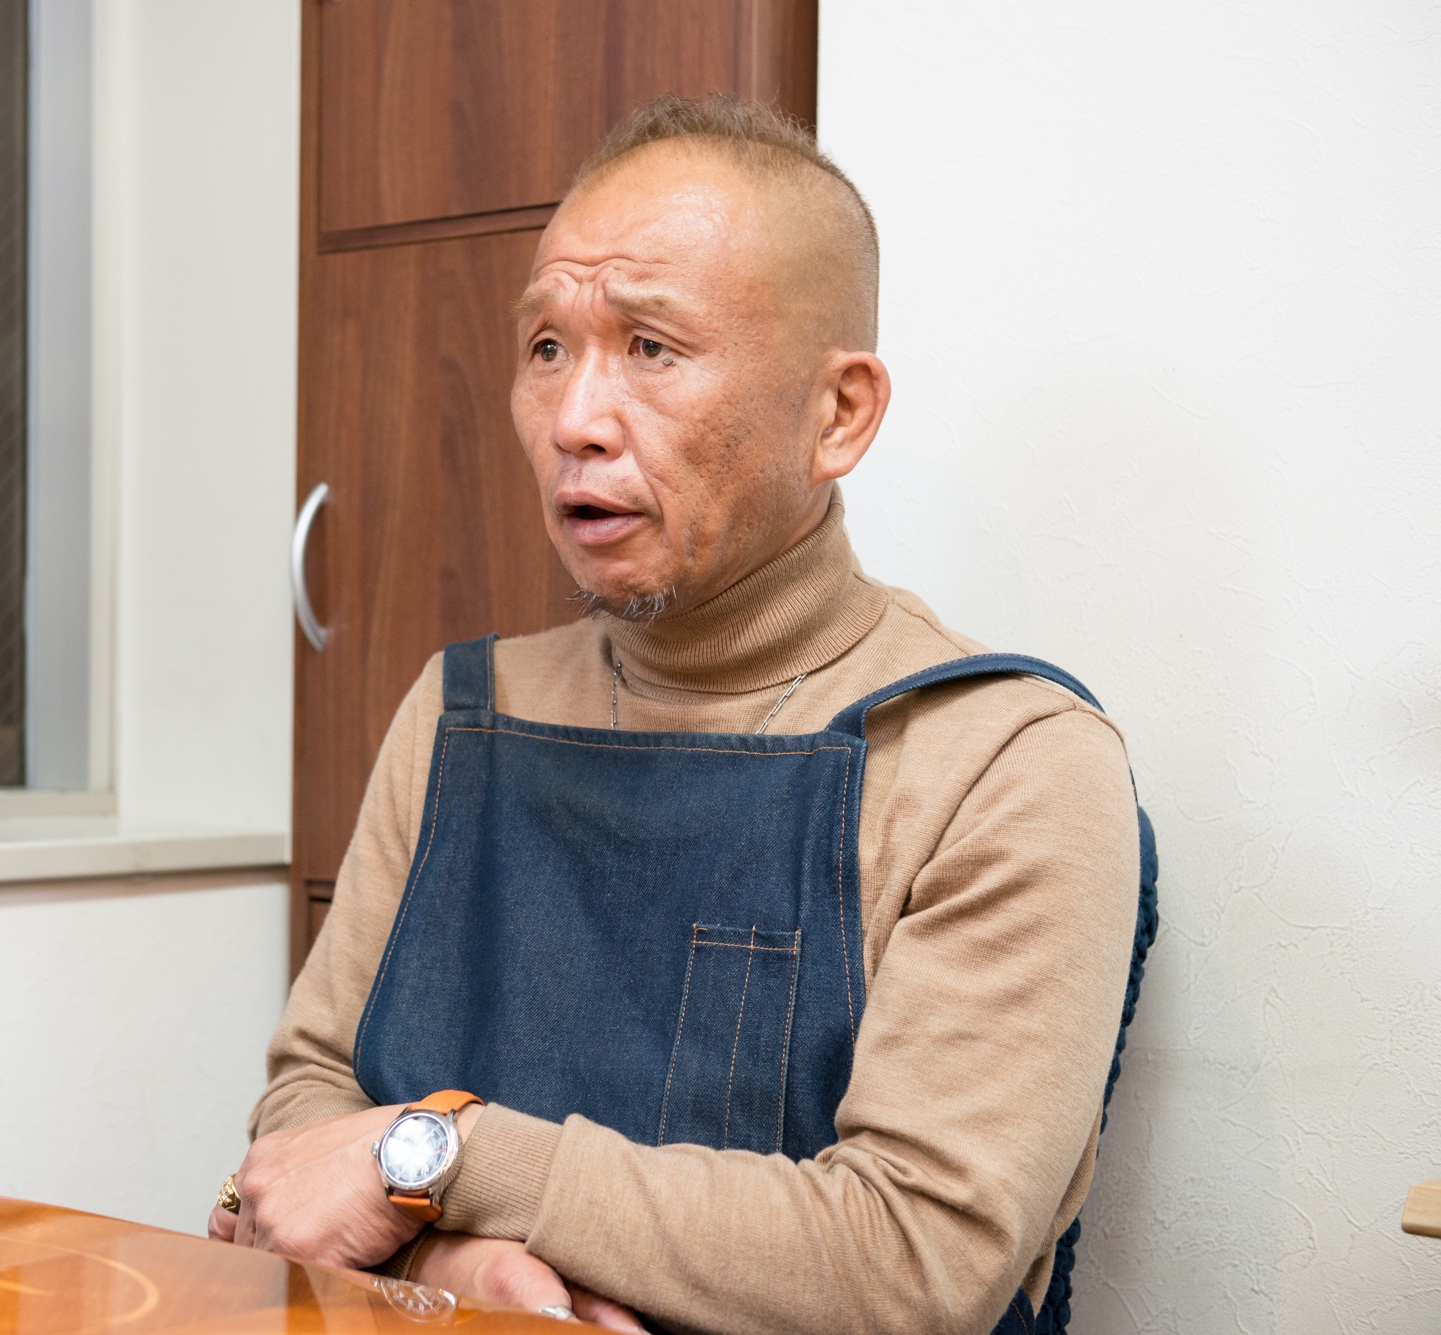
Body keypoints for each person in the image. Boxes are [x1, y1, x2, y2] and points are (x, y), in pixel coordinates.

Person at [211, 94, 1149, 1335]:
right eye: (546, 347)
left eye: (650, 348)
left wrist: (452, 1160)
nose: (573, 422)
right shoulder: (457, 708)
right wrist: (459, 1272)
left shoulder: (1001, 763)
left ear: (837, 414)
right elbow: (305, 1115)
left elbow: (913, 1259)